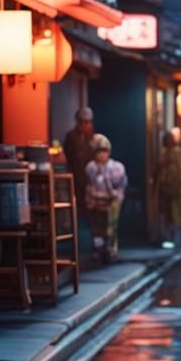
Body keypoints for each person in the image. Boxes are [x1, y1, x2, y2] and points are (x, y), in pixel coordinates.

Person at [85, 134, 127, 263]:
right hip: (96, 201)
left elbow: (121, 186)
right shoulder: (91, 167)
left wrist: (115, 196)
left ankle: (111, 249)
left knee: (111, 227)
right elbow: (89, 185)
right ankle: (98, 249)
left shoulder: (116, 168)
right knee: (97, 227)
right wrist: (90, 198)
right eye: (98, 152)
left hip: (111, 202)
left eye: (104, 152)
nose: (101, 155)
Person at [155, 131, 181, 248]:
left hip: (179, 187)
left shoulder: (177, 152)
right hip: (171, 189)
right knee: (174, 214)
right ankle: (175, 235)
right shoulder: (165, 154)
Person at [64, 107, 95, 206]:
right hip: (75, 175)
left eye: (88, 123)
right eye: (83, 122)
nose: (86, 125)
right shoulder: (71, 136)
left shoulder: (92, 137)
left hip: (89, 177)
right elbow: (68, 156)